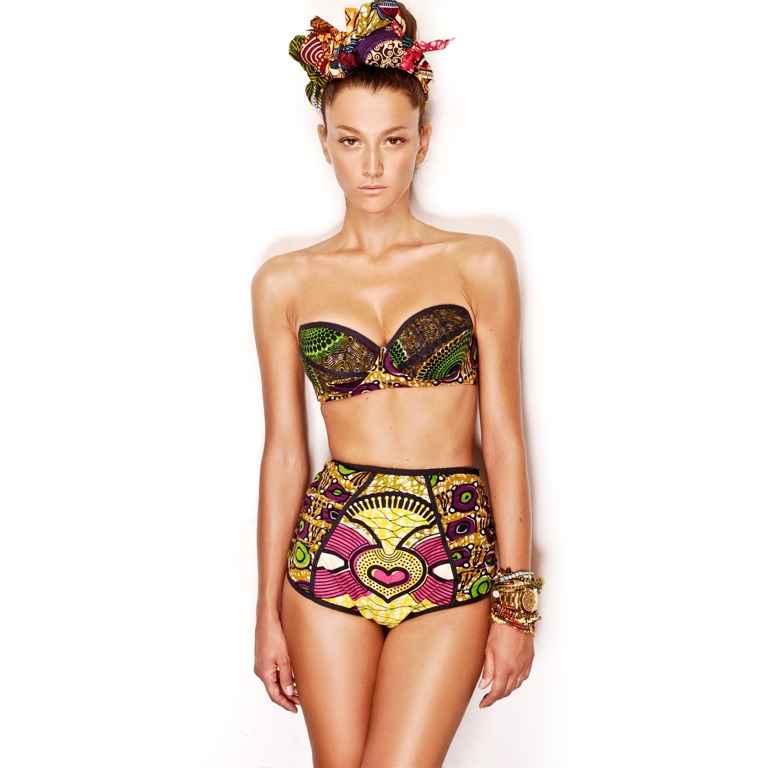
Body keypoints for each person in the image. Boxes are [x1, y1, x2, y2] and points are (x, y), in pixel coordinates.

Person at [251, 3, 543, 766]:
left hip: (455, 550)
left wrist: (516, 603)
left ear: (424, 140)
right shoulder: (284, 282)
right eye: (351, 141)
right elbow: (285, 453)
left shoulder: (479, 263)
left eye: (393, 140)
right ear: (324, 143)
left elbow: (504, 440)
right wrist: (265, 612)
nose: (372, 165)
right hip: (327, 553)